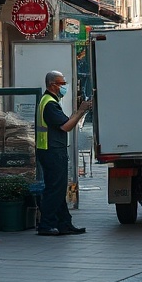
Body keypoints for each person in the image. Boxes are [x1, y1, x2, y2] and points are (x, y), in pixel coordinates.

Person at [35, 70, 92, 237]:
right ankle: (46, 224)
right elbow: (66, 126)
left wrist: (78, 112)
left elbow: (65, 121)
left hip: (51, 150)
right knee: (55, 189)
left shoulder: (50, 101)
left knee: (58, 189)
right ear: (52, 85)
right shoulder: (49, 104)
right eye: (62, 84)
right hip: (52, 151)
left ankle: (64, 223)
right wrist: (80, 111)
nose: (64, 87)